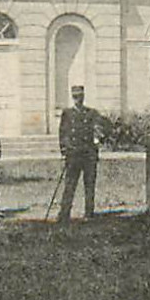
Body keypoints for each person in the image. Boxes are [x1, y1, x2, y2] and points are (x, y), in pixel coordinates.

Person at [56, 85, 102, 223]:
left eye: (80, 96)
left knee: (89, 185)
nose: (78, 99)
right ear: (72, 97)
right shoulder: (67, 114)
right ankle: (64, 213)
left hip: (88, 155)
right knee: (69, 185)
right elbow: (63, 134)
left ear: (83, 96)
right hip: (73, 155)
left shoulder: (92, 113)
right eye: (75, 96)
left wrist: (97, 138)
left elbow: (100, 129)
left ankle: (89, 213)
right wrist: (64, 150)